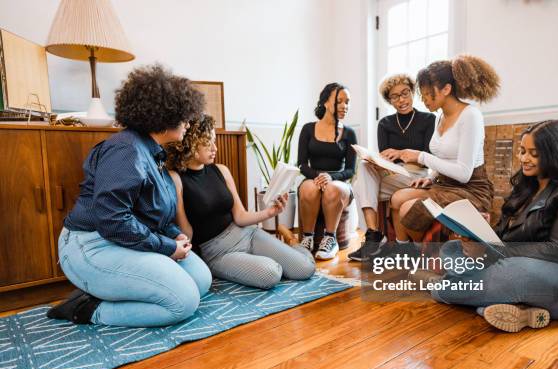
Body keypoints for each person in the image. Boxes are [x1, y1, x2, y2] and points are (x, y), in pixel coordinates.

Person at [46, 64, 212, 327]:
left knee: (201, 280)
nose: (188, 122)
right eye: (184, 115)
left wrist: (172, 234)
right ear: (164, 115)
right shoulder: (126, 150)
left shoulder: (152, 152)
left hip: (123, 240)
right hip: (92, 245)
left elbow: (148, 212)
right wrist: (167, 248)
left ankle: (113, 289)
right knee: (184, 302)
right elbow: (112, 220)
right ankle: (87, 308)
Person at [432, 120, 558, 332]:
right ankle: (518, 307)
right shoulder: (528, 186)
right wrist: (477, 233)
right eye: (522, 151)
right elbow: (503, 237)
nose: (524, 159)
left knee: (516, 272)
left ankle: (442, 289)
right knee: (451, 249)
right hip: (529, 273)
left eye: (534, 154)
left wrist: (494, 252)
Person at [165, 114, 315, 290]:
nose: (215, 148)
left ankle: (292, 244)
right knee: (271, 273)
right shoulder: (175, 178)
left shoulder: (221, 170)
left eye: (214, 141)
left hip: (247, 234)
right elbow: (186, 233)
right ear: (191, 144)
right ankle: (279, 255)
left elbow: (240, 216)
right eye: (208, 143)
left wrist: (270, 212)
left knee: (305, 269)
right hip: (217, 253)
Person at [380, 55, 500, 257]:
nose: (424, 99)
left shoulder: (470, 116)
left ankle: (422, 255)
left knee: (408, 208)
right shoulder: (440, 116)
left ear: (446, 89)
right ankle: (405, 250)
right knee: (397, 198)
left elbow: (463, 173)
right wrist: (430, 177)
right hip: (444, 184)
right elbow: (442, 156)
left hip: (471, 188)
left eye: (428, 94)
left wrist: (420, 157)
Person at [348, 74, 435, 262]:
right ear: (389, 100)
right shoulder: (385, 124)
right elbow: (386, 159)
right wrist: (377, 163)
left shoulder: (428, 119)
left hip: (417, 174)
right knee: (364, 166)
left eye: (405, 93)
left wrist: (402, 152)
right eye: (395, 97)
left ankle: (374, 241)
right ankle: (373, 234)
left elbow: (428, 158)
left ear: (412, 93)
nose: (401, 99)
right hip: (393, 174)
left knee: (359, 188)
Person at [297, 82, 357, 260]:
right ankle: (307, 239)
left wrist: (330, 177)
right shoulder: (308, 129)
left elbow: (350, 170)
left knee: (333, 189)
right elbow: (301, 164)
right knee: (308, 188)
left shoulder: (349, 133)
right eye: (339, 101)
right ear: (325, 102)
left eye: (347, 102)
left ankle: (330, 240)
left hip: (338, 181)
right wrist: (318, 177)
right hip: (313, 178)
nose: (344, 106)